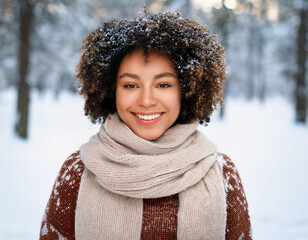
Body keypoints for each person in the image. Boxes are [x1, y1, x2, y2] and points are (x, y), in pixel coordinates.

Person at [40, 7, 252, 240]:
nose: (147, 100)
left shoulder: (222, 173)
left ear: (187, 90)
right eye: (131, 85)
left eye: (163, 85)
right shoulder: (77, 172)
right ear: (112, 91)